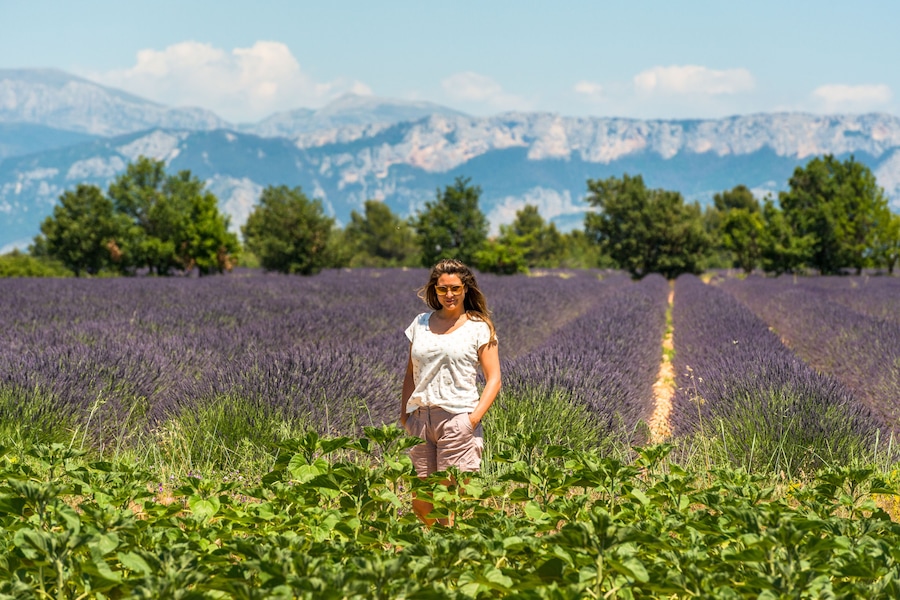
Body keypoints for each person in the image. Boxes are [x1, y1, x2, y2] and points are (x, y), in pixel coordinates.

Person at [400, 258, 501, 526]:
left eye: (455, 288)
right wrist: (404, 416)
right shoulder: (420, 323)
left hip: (457, 420)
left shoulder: (479, 326)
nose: (449, 294)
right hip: (421, 420)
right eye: (443, 288)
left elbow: (494, 379)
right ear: (434, 289)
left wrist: (472, 420)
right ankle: (435, 550)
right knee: (421, 503)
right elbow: (411, 372)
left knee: (447, 500)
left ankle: (450, 558)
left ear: (466, 288)